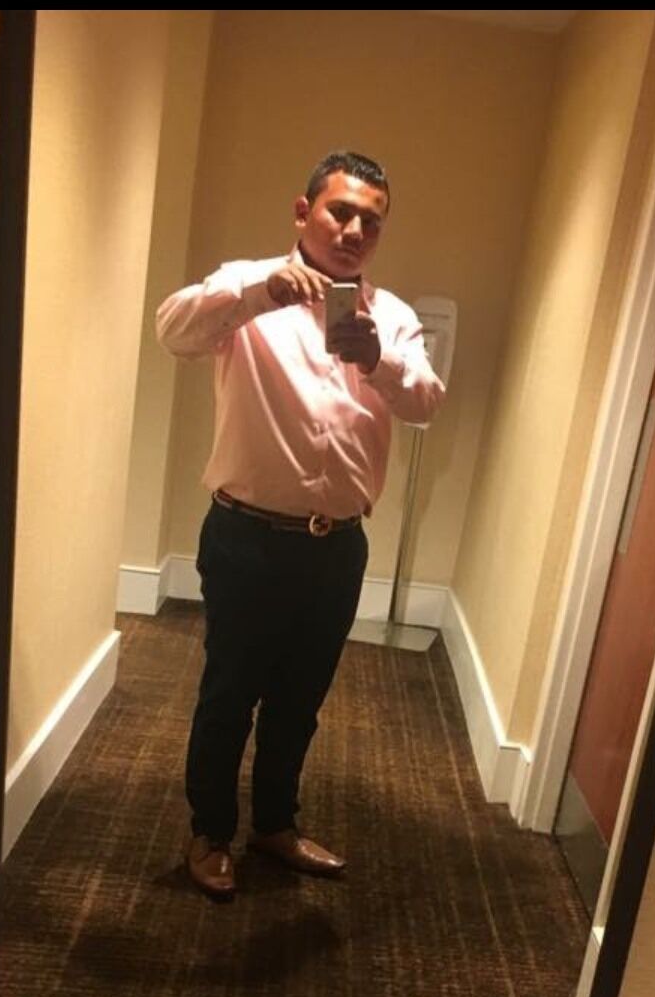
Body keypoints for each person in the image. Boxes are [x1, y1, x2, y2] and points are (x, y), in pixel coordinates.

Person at [155, 150, 446, 901]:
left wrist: (378, 361)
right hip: (246, 538)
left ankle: (275, 825)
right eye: (339, 212)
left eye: (370, 221)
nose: (353, 230)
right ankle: (210, 832)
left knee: (299, 702)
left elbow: (424, 402)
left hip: (337, 548)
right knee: (229, 695)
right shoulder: (245, 286)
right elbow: (175, 331)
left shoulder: (393, 317)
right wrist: (263, 291)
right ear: (303, 211)